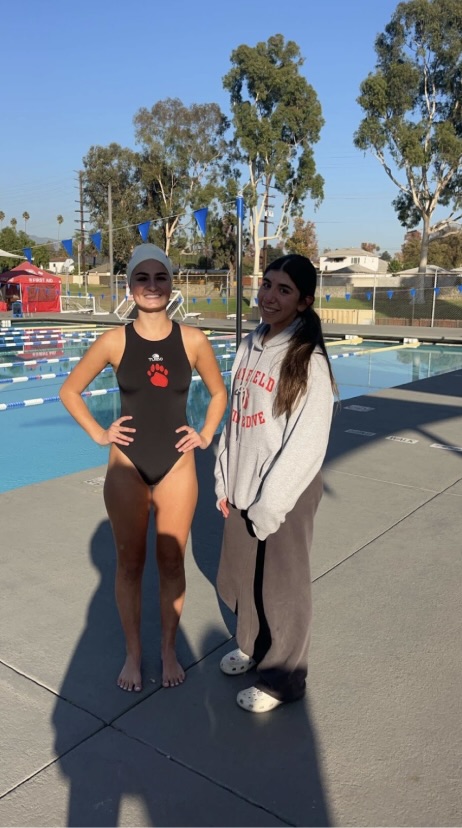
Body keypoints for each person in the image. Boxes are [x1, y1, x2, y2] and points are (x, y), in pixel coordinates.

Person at [60, 243, 227, 692]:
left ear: (171, 283)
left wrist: (206, 433)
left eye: (160, 277)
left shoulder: (193, 339)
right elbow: (70, 391)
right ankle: (134, 654)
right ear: (130, 285)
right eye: (142, 278)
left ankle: (169, 649)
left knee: (172, 560)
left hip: (177, 463)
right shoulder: (114, 340)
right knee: (130, 564)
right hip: (126, 464)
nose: (152, 286)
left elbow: (218, 393)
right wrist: (99, 434)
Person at [214, 254, 336, 713]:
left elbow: (307, 444)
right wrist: (223, 475)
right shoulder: (250, 344)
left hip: (288, 491)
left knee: (282, 588)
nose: (269, 296)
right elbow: (237, 418)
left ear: (304, 301)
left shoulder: (309, 362)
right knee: (242, 577)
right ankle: (251, 644)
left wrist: (271, 504)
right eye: (267, 284)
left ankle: (284, 677)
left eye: (284, 290)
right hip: (245, 484)